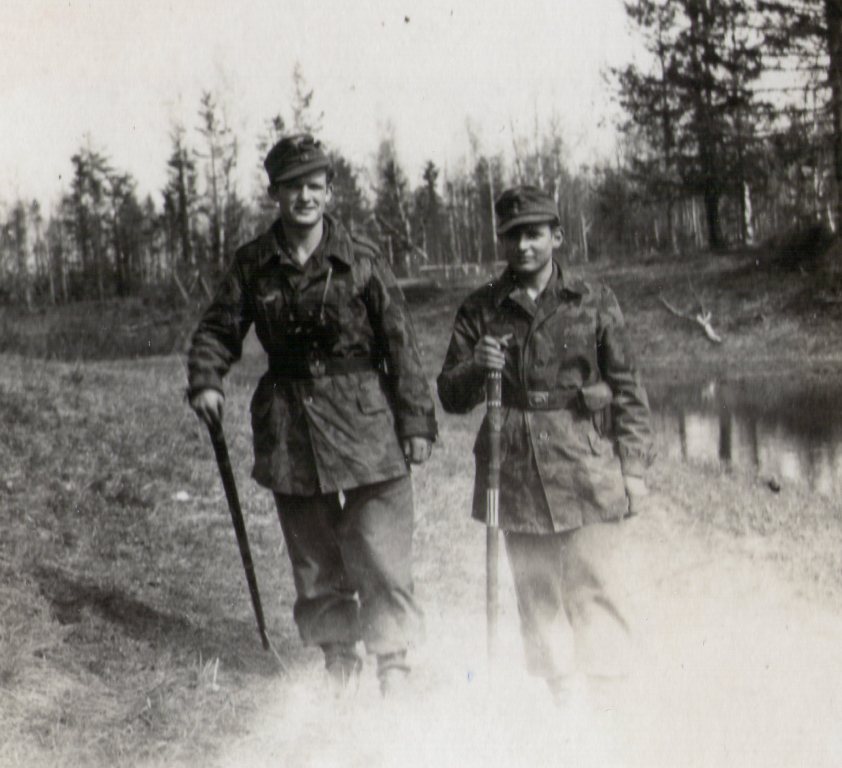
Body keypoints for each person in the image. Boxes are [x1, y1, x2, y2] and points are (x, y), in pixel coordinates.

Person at [187, 134, 437, 698]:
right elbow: (217, 329)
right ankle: (339, 666)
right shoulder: (253, 264)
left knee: (379, 547)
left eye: (316, 185)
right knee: (315, 555)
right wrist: (206, 379)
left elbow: (401, 342)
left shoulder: (363, 258)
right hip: (291, 428)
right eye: (293, 185)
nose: (306, 196)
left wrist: (417, 421)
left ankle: (393, 667)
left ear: (329, 190)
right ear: (274, 192)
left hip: (367, 424)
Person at [437, 185, 653, 708]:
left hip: (586, 463)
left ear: (556, 236)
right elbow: (450, 394)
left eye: (534, 234)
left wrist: (635, 469)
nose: (523, 246)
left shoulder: (595, 301)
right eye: (512, 236)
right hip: (513, 470)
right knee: (538, 595)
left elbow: (627, 388)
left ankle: (608, 703)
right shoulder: (481, 309)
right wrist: (476, 365)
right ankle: (564, 703)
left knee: (595, 584)